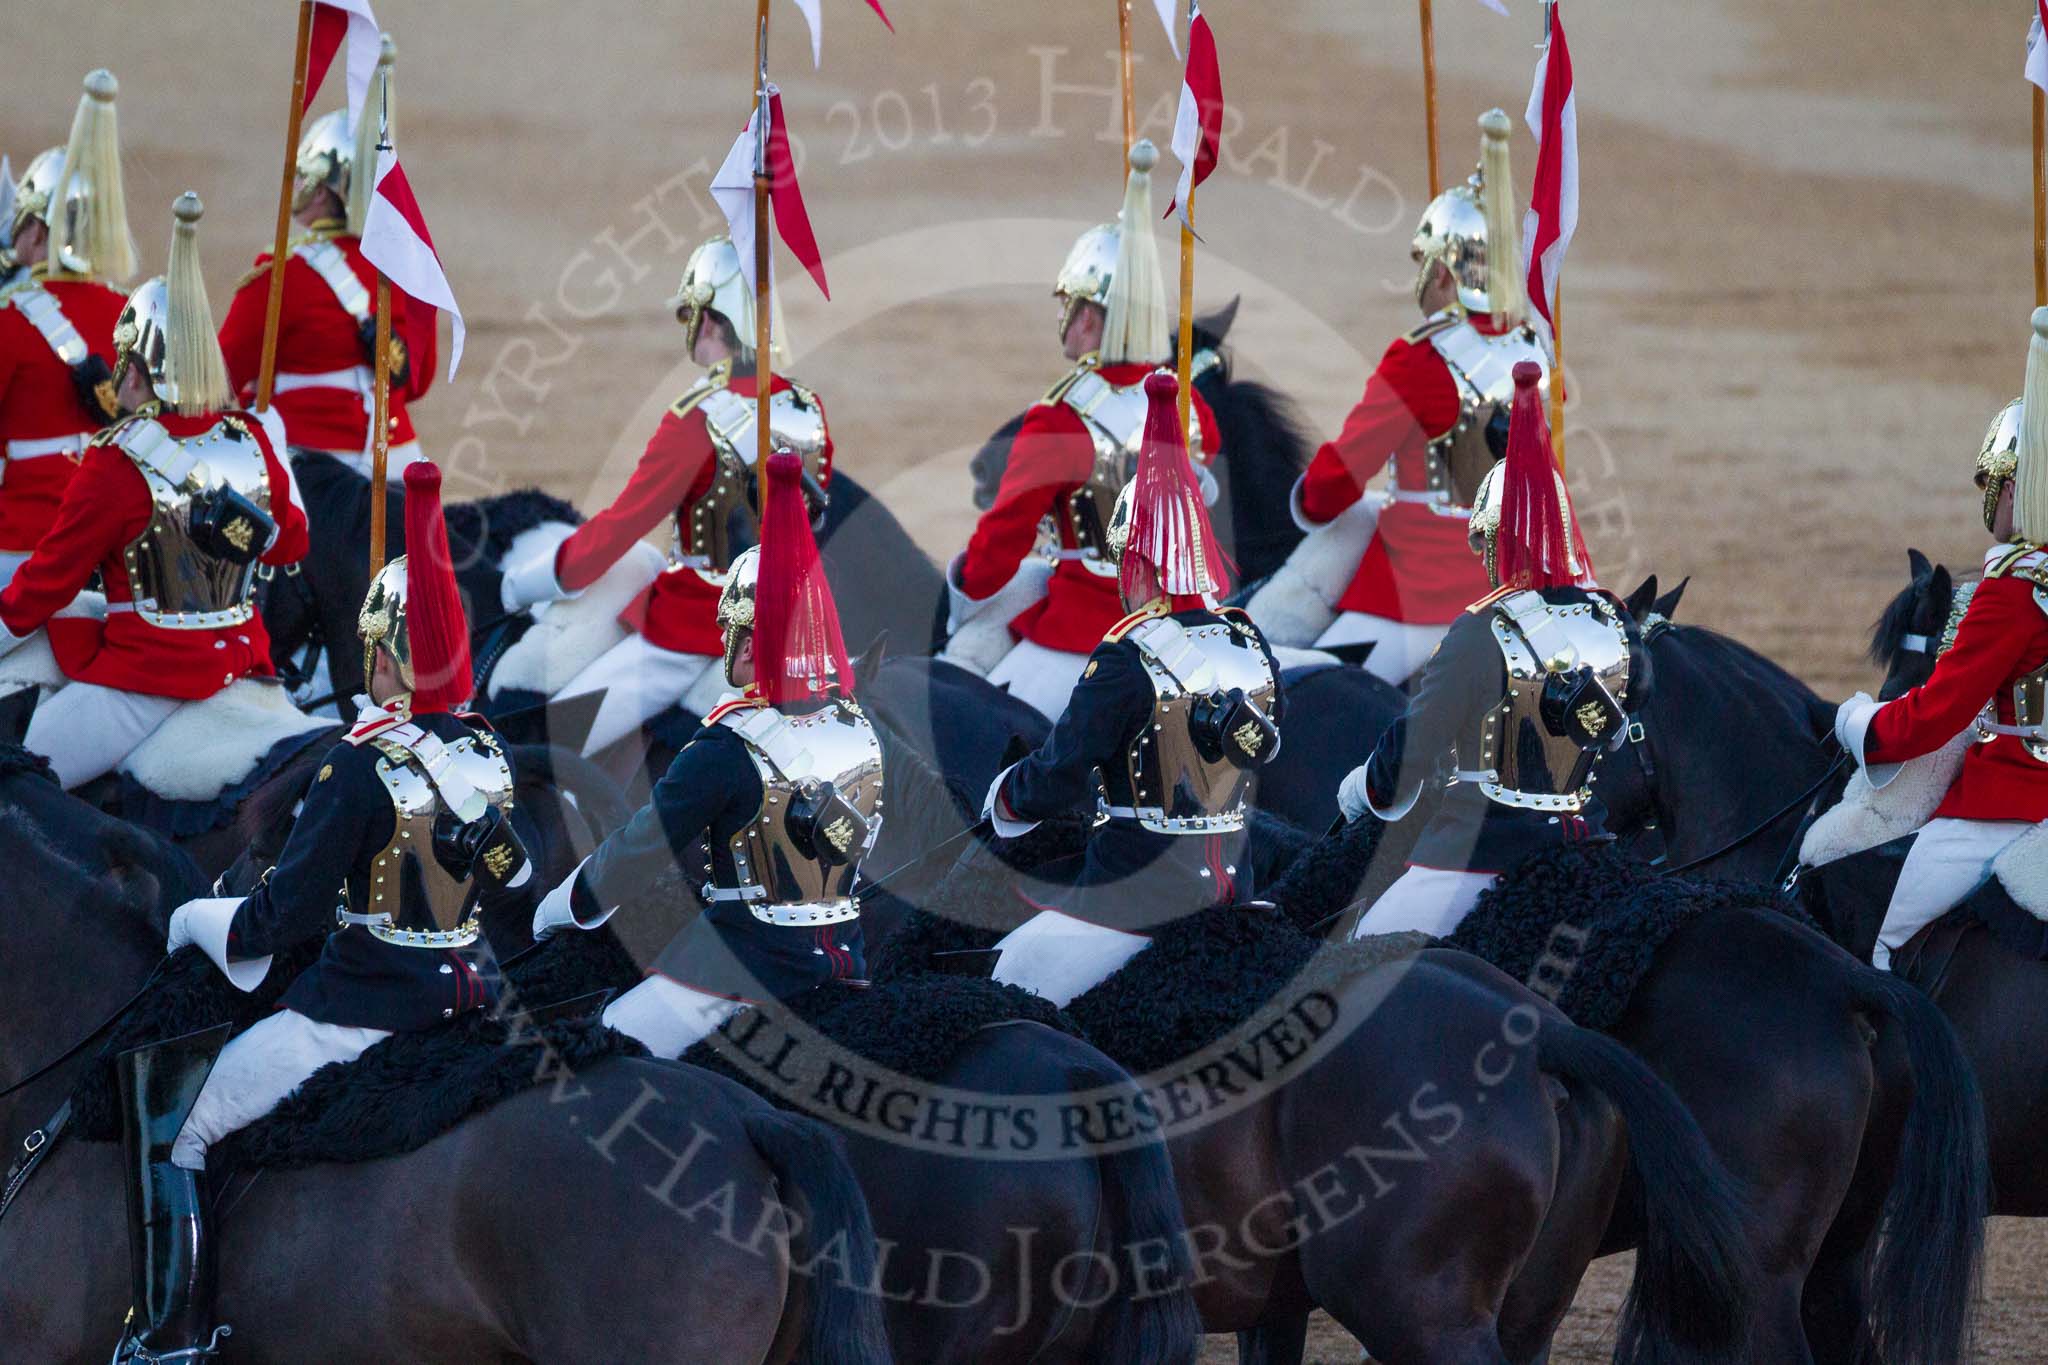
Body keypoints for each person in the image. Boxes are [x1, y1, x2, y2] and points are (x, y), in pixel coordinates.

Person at [107, 460, 527, 1363]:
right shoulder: (489, 756)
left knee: (187, 1126)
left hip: (359, 1009)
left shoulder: (357, 764)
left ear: (380, 653)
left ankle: (173, 1338)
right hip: (467, 999)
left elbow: (280, 922)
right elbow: (511, 884)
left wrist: (194, 921)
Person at [531, 450, 877, 1056]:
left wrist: (570, 902)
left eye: (733, 634)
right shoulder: (857, 728)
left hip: (740, 973)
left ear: (750, 642)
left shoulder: (727, 745)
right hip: (845, 960)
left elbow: (642, 848)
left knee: (605, 1052)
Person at [983, 372, 1280, 1006]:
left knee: (1009, 979)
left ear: (1140, 561)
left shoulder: (1127, 655)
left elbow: (1063, 769)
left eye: (1126, 565)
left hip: (1134, 903)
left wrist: (1008, 797)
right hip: (1237, 889)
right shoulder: (1250, 641)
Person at [0, 193, 308, 789]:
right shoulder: (249, 439)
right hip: (245, 661)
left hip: (145, 682)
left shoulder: (115, 462)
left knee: (16, 784)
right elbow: (289, 545)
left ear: (136, 370)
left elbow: (50, 582)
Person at [497, 234, 833, 757]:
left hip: (696, 629)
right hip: (792, 629)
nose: (690, 329)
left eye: (691, 314)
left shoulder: (697, 416)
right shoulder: (807, 410)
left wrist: (525, 585)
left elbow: (619, 529)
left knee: (556, 745)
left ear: (713, 318)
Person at [1341, 361, 1637, 940]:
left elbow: (1415, 748)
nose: (1483, 560)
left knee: (1360, 954)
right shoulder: (1612, 620)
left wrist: (1365, 788)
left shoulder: (1482, 631)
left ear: (1501, 539)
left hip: (1481, 857)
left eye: (1487, 544)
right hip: (1588, 844)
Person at [947, 139, 1223, 722]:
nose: (1064, 321)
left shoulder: (1059, 419)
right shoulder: (1187, 402)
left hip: (1084, 634)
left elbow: (1000, 547)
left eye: (1071, 306)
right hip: (1182, 629)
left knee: (964, 712)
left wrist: (965, 586)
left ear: (1093, 317)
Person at [1277, 110, 1554, 686]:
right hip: (1519, 582)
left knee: (1296, 689)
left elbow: (1340, 479)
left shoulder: (1419, 360)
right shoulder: (1534, 351)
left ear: (1450, 275)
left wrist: (1311, 499)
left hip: (1420, 596)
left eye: (1426, 266)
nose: (1422, 282)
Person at [1836, 308, 2048, 970]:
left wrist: (1864, 728)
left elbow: (1936, 718)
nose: (1991, 496)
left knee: (1890, 948)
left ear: (2021, 485)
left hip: (2013, 799)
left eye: (1998, 482)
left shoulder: (2012, 592)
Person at [217, 37, 436, 481]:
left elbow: (218, 380)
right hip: (398, 459)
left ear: (324, 190)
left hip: (311, 468)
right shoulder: (398, 267)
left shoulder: (282, 274)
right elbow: (416, 379)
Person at [0, 70, 136, 584]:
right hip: (118, 558)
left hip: (22, 547)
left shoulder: (10, 320)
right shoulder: (131, 314)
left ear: (36, 229)